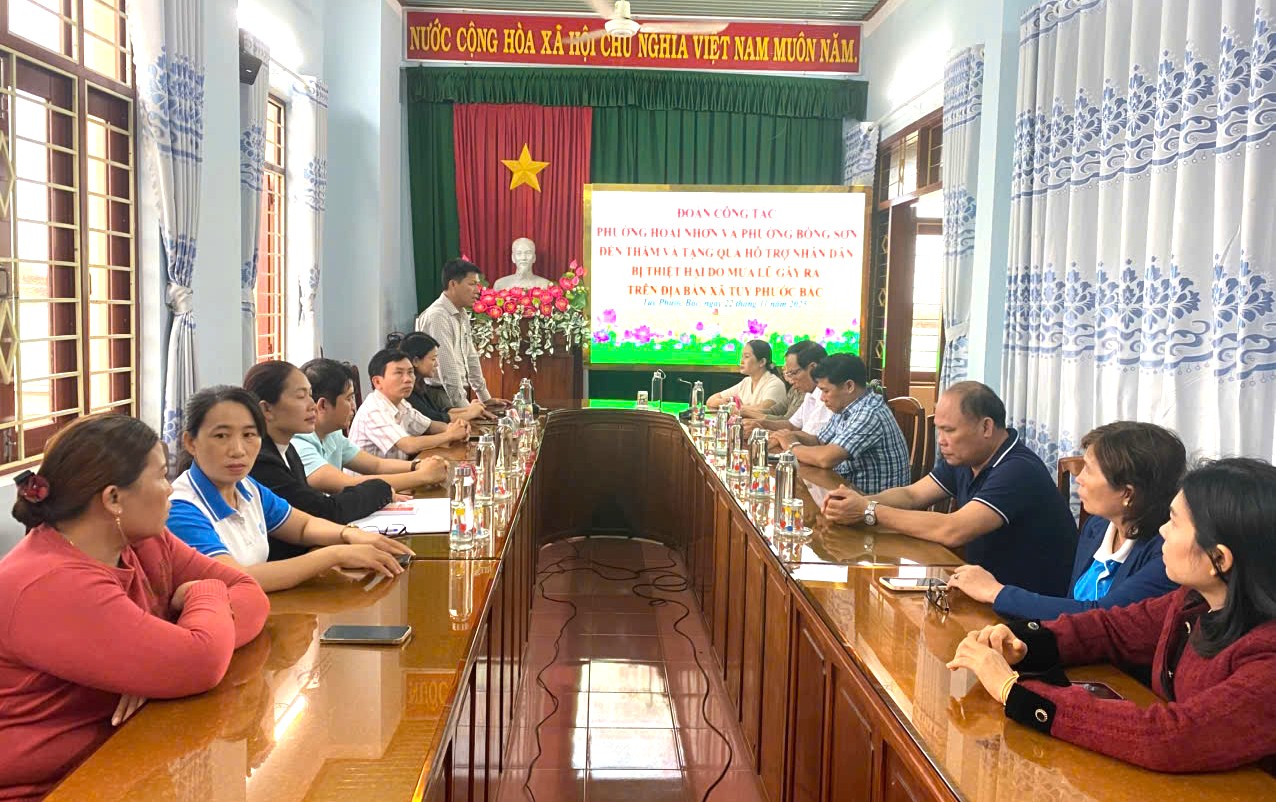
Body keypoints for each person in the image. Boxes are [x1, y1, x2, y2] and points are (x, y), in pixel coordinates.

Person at [0, 414, 269, 800]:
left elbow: (249, 593)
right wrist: (204, 596)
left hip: (121, 762)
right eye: (161, 476)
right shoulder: (50, 582)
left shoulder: (144, 540)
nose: (170, 489)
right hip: (50, 789)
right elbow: (201, 660)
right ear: (113, 499)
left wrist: (160, 661)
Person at [947, 458, 1276, 773]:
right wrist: (1023, 643)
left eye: (1174, 523)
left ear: (1219, 559)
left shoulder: (1267, 659)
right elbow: (1113, 629)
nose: (1162, 531)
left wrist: (1013, 690)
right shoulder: (1194, 600)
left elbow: (1172, 738)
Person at [822, 381, 1076, 595]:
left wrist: (868, 510)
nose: (941, 441)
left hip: (1026, 606)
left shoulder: (1018, 469)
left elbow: (953, 530)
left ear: (986, 427)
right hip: (982, 588)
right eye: (938, 430)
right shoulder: (967, 458)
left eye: (949, 430)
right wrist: (854, 502)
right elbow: (912, 495)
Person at [166, 386, 413, 593]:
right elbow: (236, 578)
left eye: (249, 435)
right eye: (221, 436)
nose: (238, 450)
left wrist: (350, 535)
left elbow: (303, 526)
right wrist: (334, 555)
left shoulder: (246, 488)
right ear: (191, 442)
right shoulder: (180, 507)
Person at [948, 421, 1183, 618]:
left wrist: (995, 592)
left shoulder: (1165, 554)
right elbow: (1069, 607)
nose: (1079, 478)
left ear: (1127, 493)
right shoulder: (1097, 527)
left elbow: (1100, 617)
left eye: (1089, 470)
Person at [243, 361, 397, 548]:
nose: (312, 406)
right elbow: (322, 511)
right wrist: (382, 488)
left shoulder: (288, 450)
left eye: (310, 395)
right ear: (266, 409)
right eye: (301, 397)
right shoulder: (261, 461)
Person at [293, 358, 449, 502]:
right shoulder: (299, 444)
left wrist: (418, 466)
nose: (354, 406)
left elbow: (376, 465)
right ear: (323, 405)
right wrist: (422, 476)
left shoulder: (332, 433)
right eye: (349, 398)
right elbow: (347, 484)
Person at [770, 353, 911, 495]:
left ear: (849, 386)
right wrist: (786, 436)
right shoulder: (846, 406)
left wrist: (792, 446)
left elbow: (826, 459)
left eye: (826, 391)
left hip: (871, 502)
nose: (822, 398)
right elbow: (819, 440)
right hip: (846, 489)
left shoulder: (869, 413)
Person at [415, 257, 507, 410]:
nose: (477, 290)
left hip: (455, 394)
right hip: (439, 394)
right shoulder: (438, 316)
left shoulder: (461, 313)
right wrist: (465, 409)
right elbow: (446, 367)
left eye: (477, 284)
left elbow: (470, 356)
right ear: (453, 284)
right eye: (472, 284)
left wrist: (485, 397)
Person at [348, 349, 470, 461]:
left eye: (410, 372)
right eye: (399, 373)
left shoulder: (401, 403)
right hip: (373, 478)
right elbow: (409, 445)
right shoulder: (374, 410)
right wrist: (449, 435)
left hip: (397, 473)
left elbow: (430, 426)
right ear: (377, 382)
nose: (408, 379)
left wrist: (456, 427)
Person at [384, 331, 488, 424]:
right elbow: (432, 419)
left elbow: (437, 411)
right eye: (433, 359)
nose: (437, 364)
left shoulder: (420, 384)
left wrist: (469, 409)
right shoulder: (406, 389)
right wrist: (469, 413)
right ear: (415, 361)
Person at [742, 340, 832, 437]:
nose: (791, 381)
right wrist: (759, 424)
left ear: (813, 368)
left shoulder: (826, 396)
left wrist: (763, 431)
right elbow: (792, 425)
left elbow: (812, 438)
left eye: (794, 373)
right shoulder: (809, 393)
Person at [705, 339, 789, 414]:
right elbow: (710, 400)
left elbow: (763, 409)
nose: (741, 361)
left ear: (762, 362)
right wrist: (727, 403)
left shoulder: (775, 384)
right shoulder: (746, 381)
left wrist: (735, 406)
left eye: (747, 357)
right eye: (742, 356)